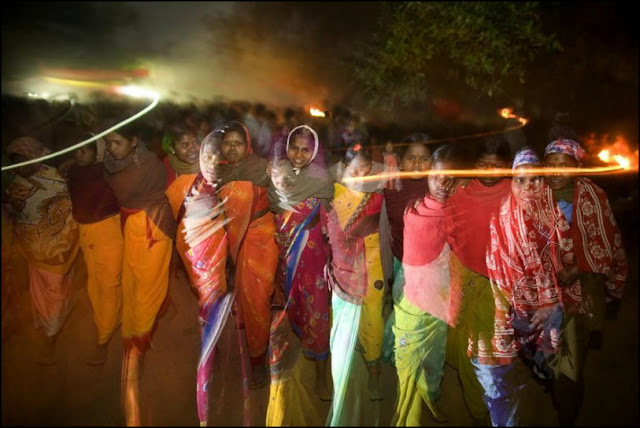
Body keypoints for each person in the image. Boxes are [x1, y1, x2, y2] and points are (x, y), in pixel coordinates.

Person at [474, 148, 567, 426]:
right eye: (521, 180)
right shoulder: (498, 216)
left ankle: (543, 375)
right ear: (511, 181)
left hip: (545, 311)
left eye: (536, 179)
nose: (529, 187)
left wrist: (550, 302)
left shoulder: (554, 216)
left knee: (546, 362)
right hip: (502, 305)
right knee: (496, 375)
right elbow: (494, 264)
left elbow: (565, 265)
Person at [542, 138, 627, 425]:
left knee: (569, 364)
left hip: (580, 295)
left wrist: (578, 268)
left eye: (563, 166)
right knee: (550, 361)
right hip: (543, 295)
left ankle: (568, 410)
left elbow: (607, 240)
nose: (555, 171)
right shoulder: (534, 195)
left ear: (577, 168)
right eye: (550, 165)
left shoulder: (593, 195)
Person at [103, 121, 176, 426]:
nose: (110, 148)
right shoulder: (111, 163)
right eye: (108, 143)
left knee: (148, 288)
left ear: (134, 142)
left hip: (152, 228)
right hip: (131, 226)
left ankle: (139, 347)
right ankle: (133, 338)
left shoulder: (150, 167)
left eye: (117, 142)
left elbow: (151, 190)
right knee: (132, 284)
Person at [265, 125, 335, 425]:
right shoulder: (275, 174)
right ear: (287, 147)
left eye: (306, 149)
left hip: (313, 255)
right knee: (293, 305)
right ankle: (301, 345)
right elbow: (272, 205)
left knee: (317, 311)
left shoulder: (321, 179)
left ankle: (321, 372)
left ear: (315, 151)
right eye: (295, 147)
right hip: (286, 253)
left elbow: (329, 211)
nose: (299, 153)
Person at [391, 144, 461, 425]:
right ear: (428, 177)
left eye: (450, 178)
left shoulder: (459, 215)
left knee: (434, 360)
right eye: (436, 176)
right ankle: (405, 413)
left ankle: (431, 395)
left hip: (440, 305)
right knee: (407, 362)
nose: (443, 184)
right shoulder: (414, 210)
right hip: (411, 302)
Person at [445, 136, 512, 424]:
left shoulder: (517, 193)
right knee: (460, 336)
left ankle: (481, 406)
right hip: (463, 273)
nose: (488, 171)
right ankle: (475, 401)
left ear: (507, 167)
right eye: (482, 165)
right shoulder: (461, 190)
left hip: (499, 281)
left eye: (495, 166)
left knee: (485, 348)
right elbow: (449, 228)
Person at [326, 138, 391, 425]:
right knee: (341, 324)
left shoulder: (378, 194)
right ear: (344, 167)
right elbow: (326, 231)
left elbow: (386, 229)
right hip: (342, 269)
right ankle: (340, 375)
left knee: (373, 320)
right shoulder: (332, 191)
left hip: (373, 264)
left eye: (366, 168)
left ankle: (374, 373)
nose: (362, 174)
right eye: (356, 168)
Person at [2, 137, 80, 366]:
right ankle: (50, 326)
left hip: (58, 249)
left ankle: (50, 340)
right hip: (31, 252)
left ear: (36, 158)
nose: (21, 168)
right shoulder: (14, 185)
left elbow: (67, 207)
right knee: (41, 293)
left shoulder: (55, 178)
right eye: (15, 164)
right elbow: (15, 214)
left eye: (25, 162)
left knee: (54, 292)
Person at [213, 120, 278, 389]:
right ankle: (249, 343)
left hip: (262, 237)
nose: (232, 148)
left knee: (258, 298)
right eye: (227, 143)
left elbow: (279, 200)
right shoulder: (216, 172)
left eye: (238, 143)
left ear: (247, 145)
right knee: (241, 293)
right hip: (232, 240)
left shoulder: (262, 168)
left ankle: (257, 357)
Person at [179, 133, 233, 426]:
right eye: (208, 156)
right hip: (207, 276)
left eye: (219, 157)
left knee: (214, 318)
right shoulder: (197, 191)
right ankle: (204, 407)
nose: (213, 163)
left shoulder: (224, 186)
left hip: (219, 275)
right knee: (209, 322)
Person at [66, 134, 123, 366]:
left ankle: (103, 338)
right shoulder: (72, 172)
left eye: (85, 150)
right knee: (95, 284)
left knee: (109, 284)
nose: (79, 154)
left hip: (109, 231)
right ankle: (110, 321)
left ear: (97, 152)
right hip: (85, 233)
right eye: (76, 150)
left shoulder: (108, 170)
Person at [381, 133, 432, 367]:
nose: (418, 164)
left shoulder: (439, 186)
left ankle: (418, 353)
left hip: (430, 264)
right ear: (401, 162)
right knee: (402, 308)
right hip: (401, 259)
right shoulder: (390, 185)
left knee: (423, 314)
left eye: (424, 159)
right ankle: (397, 352)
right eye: (412, 158)